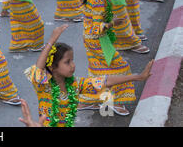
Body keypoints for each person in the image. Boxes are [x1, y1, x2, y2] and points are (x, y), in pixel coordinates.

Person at [24, 24, 154, 127]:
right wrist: (51, 41)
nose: (73, 65)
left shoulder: (74, 84)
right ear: (52, 67)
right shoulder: (44, 85)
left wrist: (137, 77)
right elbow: (37, 69)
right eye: (67, 62)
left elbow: (105, 81)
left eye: (72, 60)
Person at [78, 0, 137, 116]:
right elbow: (96, 27)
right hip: (98, 40)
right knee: (121, 67)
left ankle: (86, 100)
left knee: (98, 70)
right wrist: (112, 23)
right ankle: (114, 102)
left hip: (89, 38)